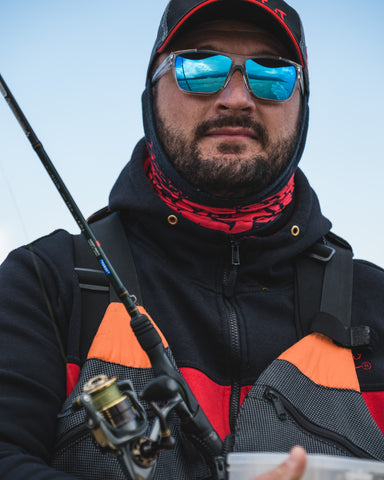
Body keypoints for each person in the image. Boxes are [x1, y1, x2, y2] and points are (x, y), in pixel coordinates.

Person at [0, 0, 383, 479]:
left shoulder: (376, 301)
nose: (238, 98)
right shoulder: (44, 280)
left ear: (303, 105)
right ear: (151, 95)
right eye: (199, 68)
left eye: (272, 74)